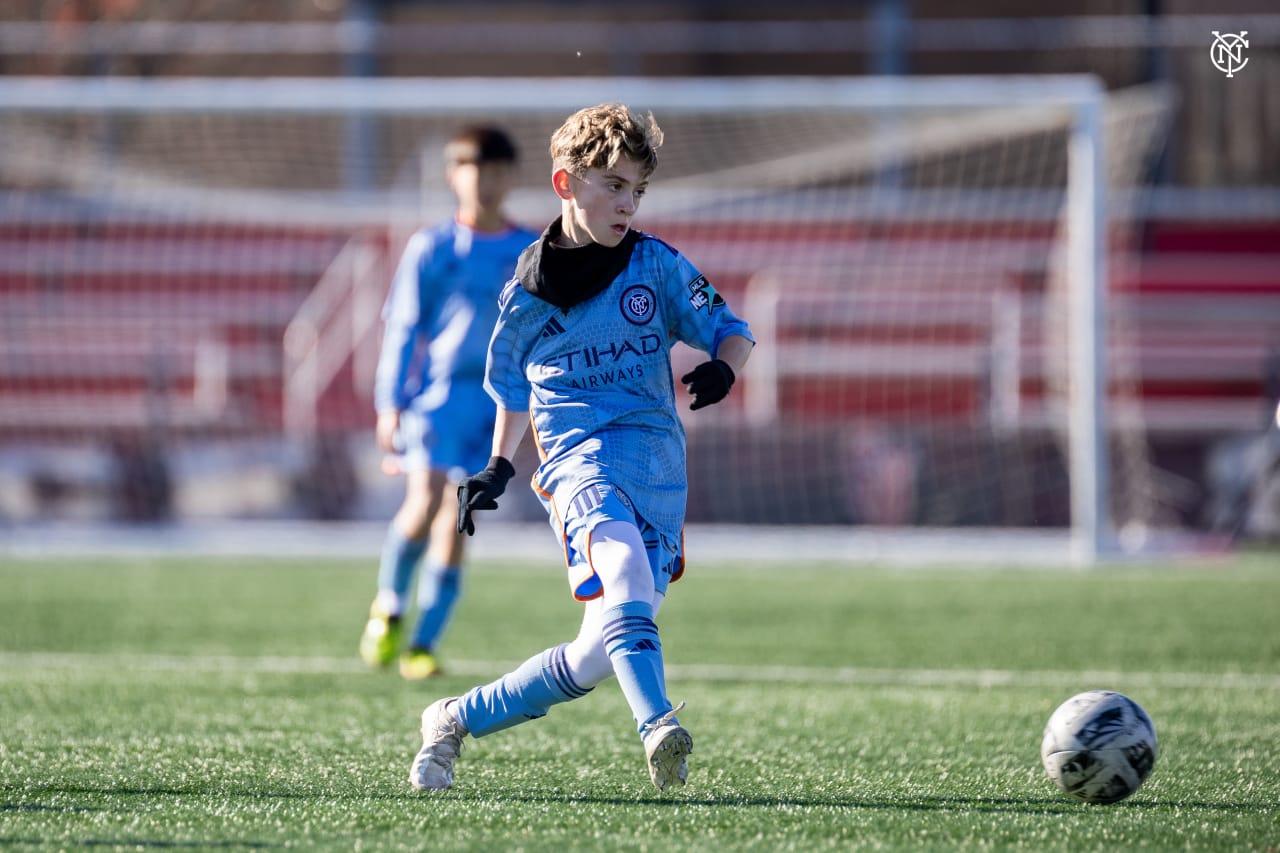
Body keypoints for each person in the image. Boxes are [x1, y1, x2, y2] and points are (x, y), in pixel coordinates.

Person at [408, 103, 754, 792]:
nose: (627, 202)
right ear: (567, 184)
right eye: (613, 185)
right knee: (621, 569)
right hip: (578, 462)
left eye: (637, 190)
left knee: (596, 654)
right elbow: (508, 388)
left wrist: (724, 365)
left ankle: (452, 718)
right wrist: (500, 464)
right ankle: (659, 724)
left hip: (656, 468)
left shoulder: (654, 265)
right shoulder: (527, 294)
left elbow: (730, 326)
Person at [360, 126, 540, 680]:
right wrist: (389, 404)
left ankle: (424, 642)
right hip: (438, 399)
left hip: (496, 406)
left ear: (511, 177)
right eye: (473, 169)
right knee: (422, 503)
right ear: (453, 175)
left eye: (495, 171)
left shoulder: (528, 251)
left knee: (461, 515)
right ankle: (389, 604)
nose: (484, 182)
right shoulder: (432, 247)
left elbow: (542, 333)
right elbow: (403, 332)